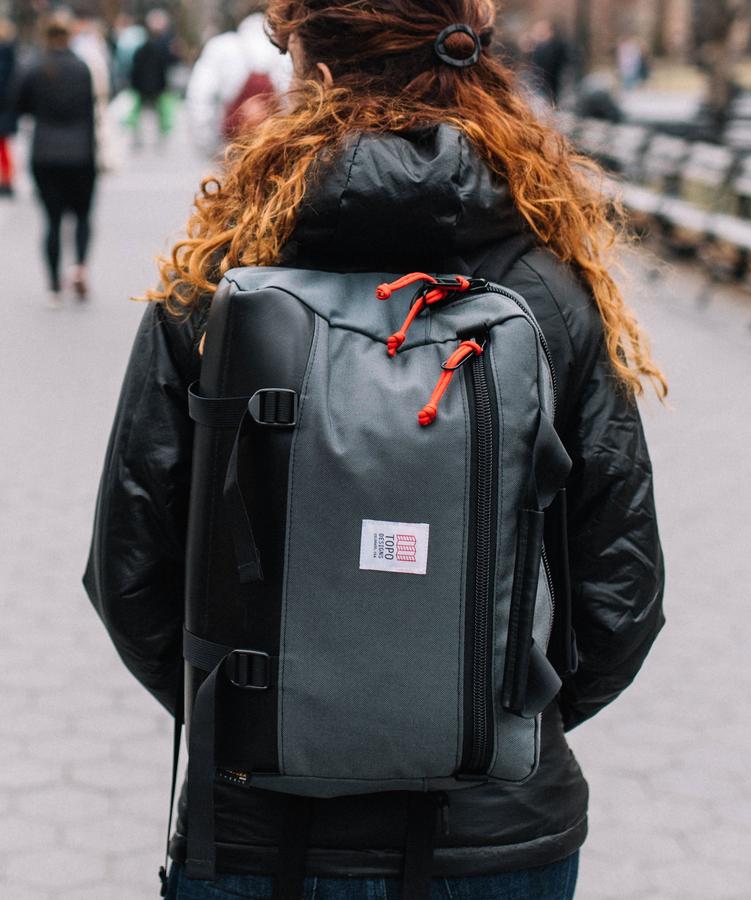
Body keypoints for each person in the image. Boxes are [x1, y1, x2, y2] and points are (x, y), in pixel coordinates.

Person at [83, 1, 667, 898]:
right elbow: (620, 591)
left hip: (252, 833)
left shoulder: (219, 274)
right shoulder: (548, 288)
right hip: (499, 841)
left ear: (307, 61)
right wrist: (493, 711)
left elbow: (130, 572)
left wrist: (256, 711)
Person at [14, 11, 96, 305]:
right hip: (81, 153)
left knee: (52, 220)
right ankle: (80, 267)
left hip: (45, 153)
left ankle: (53, 285)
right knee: (83, 215)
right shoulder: (81, 68)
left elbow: (19, 105)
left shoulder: (33, 68)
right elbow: (91, 110)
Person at [185, 1, 293, 156]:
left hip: (232, 147)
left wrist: (208, 147)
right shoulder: (287, 50)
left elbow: (199, 97)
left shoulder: (221, 47)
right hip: (275, 150)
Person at [129, 8, 175, 149]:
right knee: (158, 114)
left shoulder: (140, 50)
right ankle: (159, 138)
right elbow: (164, 69)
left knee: (140, 114)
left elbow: (134, 69)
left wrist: (134, 85)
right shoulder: (161, 50)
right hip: (156, 86)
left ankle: (139, 138)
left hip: (143, 86)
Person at [0, 17, 16, 197]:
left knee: (3, 146)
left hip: (3, 109)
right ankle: (6, 178)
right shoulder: (11, 55)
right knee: (4, 147)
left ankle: (5, 179)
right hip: (6, 109)